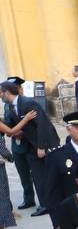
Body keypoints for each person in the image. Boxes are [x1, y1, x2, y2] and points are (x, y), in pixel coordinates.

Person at [2, 77, 59, 217]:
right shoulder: (11, 106)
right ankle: (45, 203)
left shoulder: (28, 103)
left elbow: (42, 125)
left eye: (0, 93)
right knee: (37, 175)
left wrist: (41, 146)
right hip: (29, 145)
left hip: (41, 144)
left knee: (42, 175)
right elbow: (10, 126)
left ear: (6, 92)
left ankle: (47, 204)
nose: (0, 97)